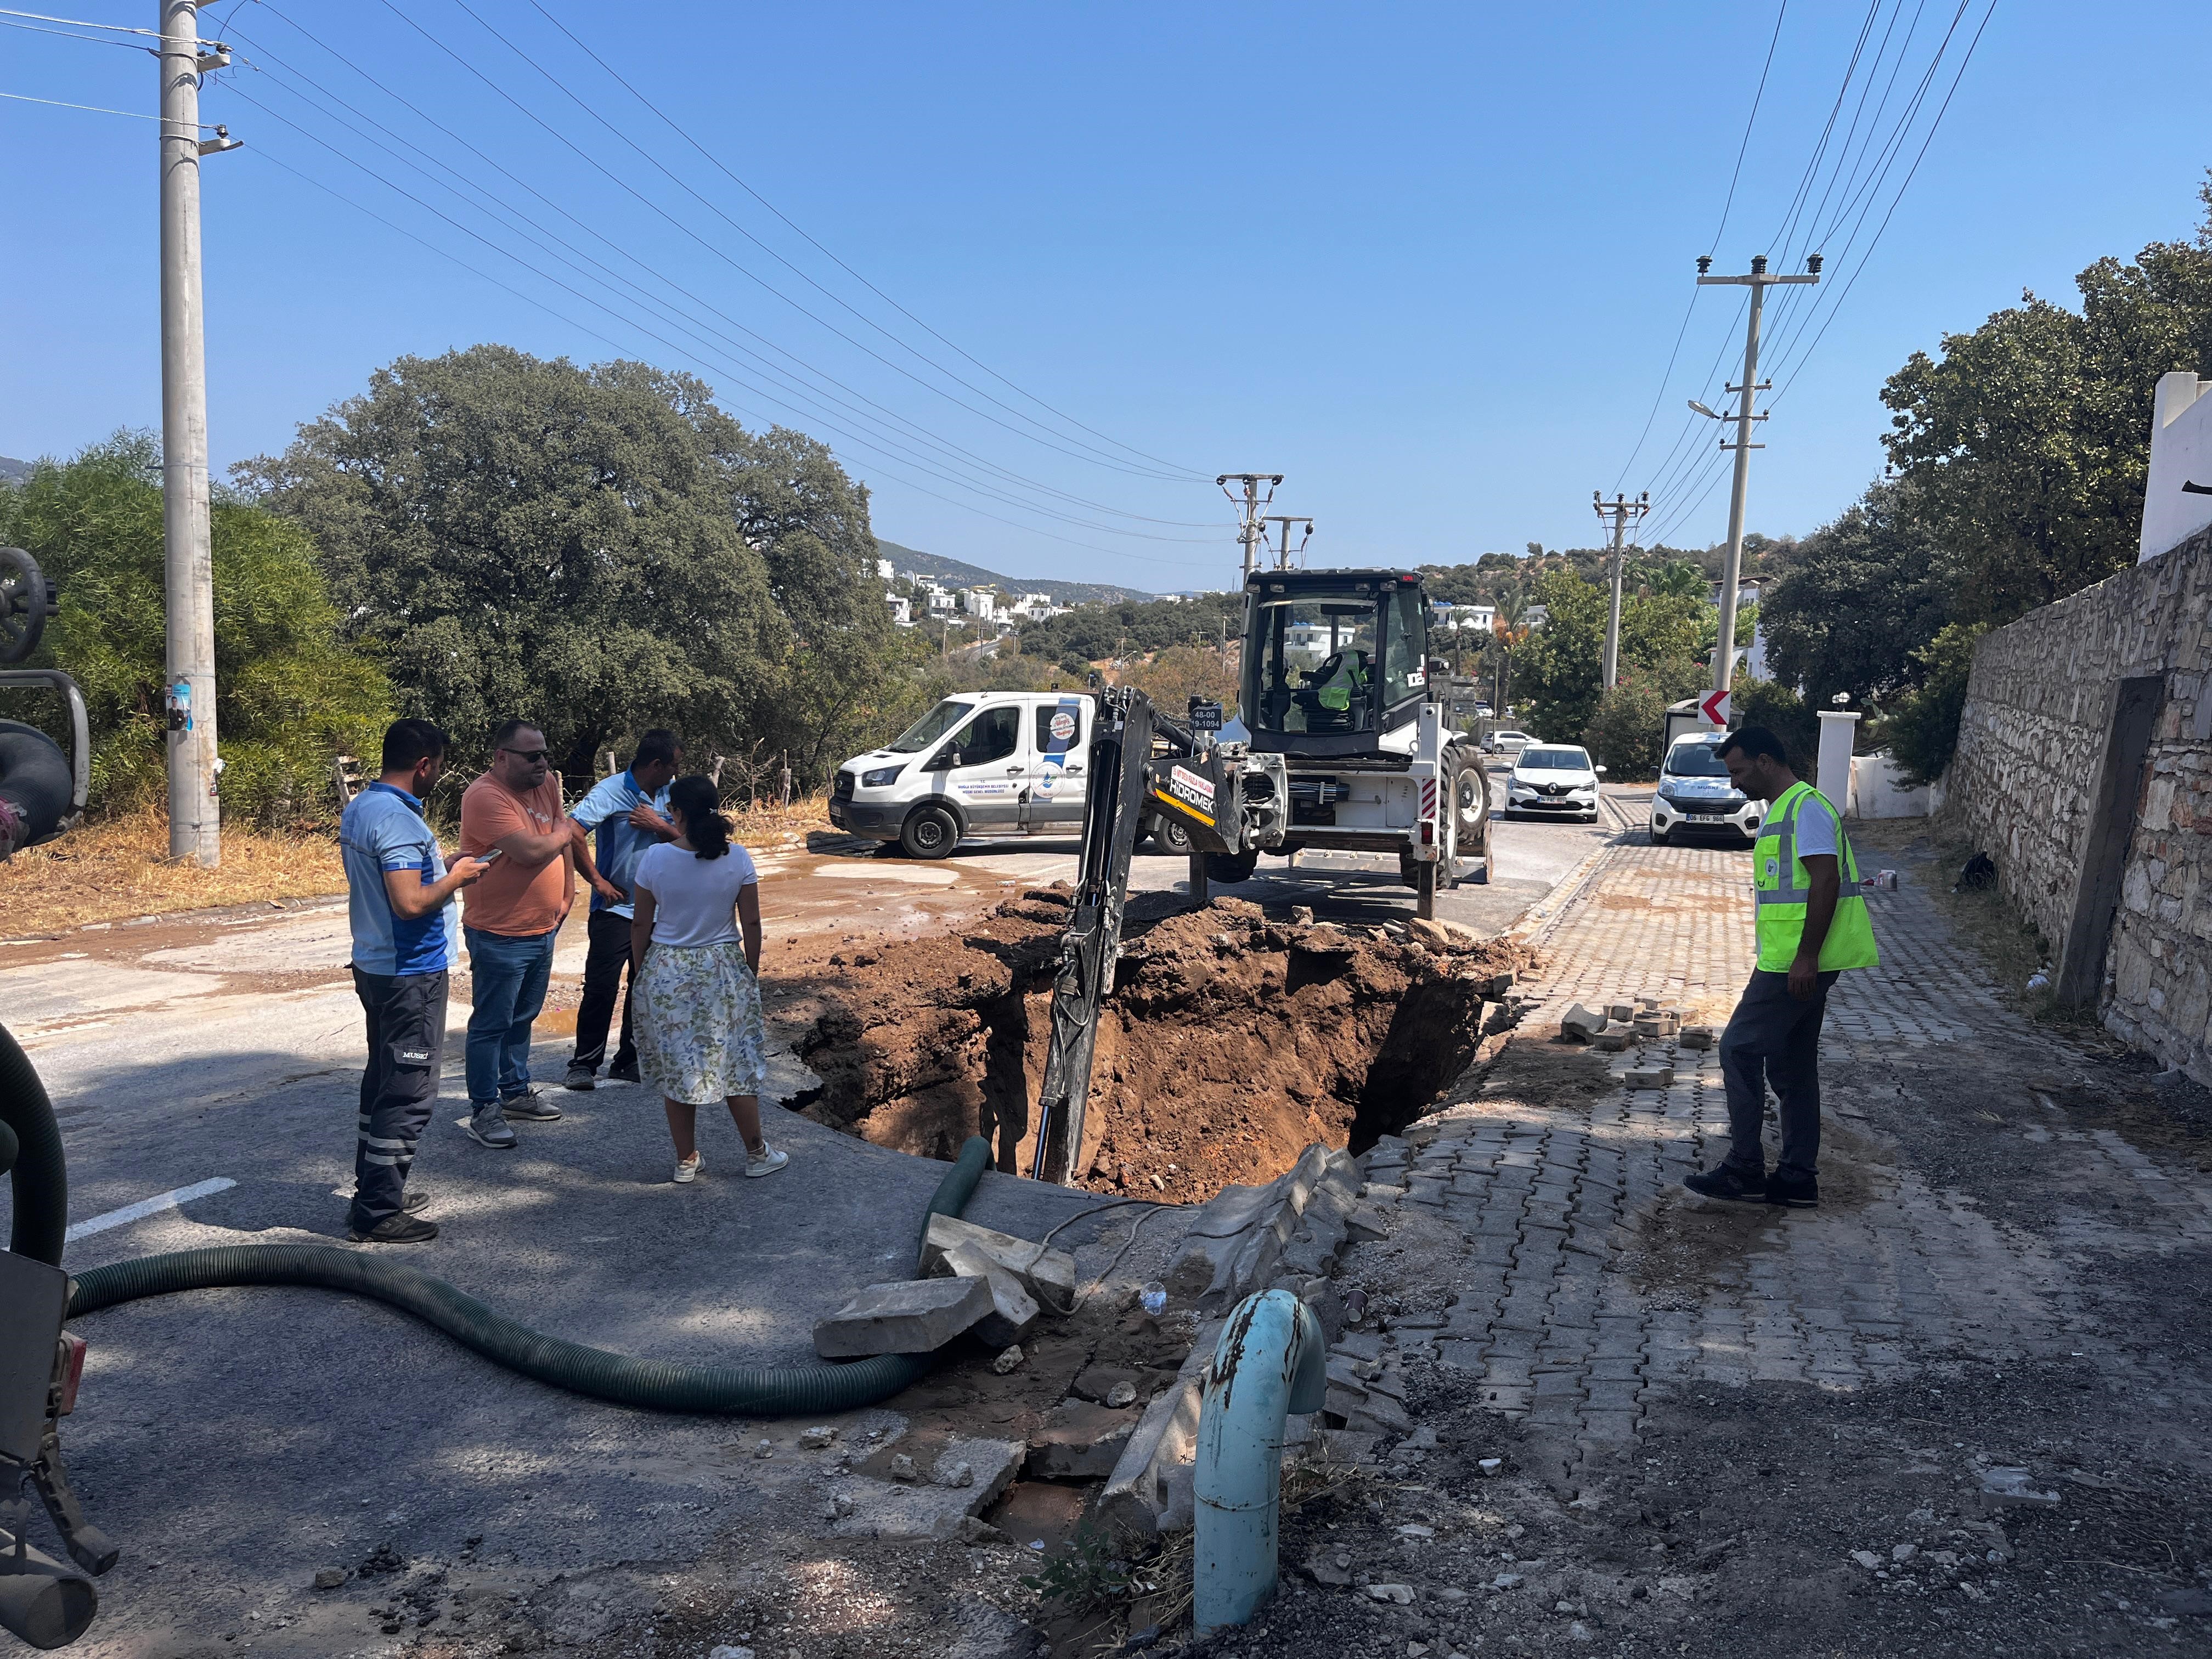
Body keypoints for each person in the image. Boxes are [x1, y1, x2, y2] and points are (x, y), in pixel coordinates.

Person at [1684, 725, 1880, 1209]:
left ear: (1766, 761)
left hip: (1796, 963)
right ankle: (1796, 1180)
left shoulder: (1804, 807)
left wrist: (1807, 956)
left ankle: (1745, 1170)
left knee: (1738, 1051)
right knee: (1792, 1069)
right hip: (1792, 960)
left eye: (1738, 771)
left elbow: (1826, 879)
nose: (1734, 784)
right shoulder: (1785, 810)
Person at [337, 719, 487, 1243]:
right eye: (439, 767)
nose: (439, 776)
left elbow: (393, 883)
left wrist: (439, 867)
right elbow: (409, 903)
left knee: (383, 1079)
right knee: (409, 1090)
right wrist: (457, 879)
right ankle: (378, 1212)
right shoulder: (398, 820)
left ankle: (373, 1188)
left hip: (376, 967)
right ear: (424, 764)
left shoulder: (363, 807)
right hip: (410, 976)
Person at [629, 775, 788, 1184]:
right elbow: (751, 921)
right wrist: (748, 971)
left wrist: (643, 971)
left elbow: (642, 924)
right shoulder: (738, 858)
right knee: (736, 1063)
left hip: (668, 969)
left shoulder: (655, 859)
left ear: (676, 812)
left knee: (680, 1065)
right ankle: (756, 1154)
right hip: (722, 969)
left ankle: (686, 1161)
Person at [456, 719, 605, 1148]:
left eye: (544, 753)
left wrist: (566, 895)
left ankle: (516, 1092)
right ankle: (484, 1109)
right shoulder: (485, 796)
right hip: (499, 933)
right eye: (532, 755)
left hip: (543, 927)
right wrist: (565, 832)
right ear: (502, 757)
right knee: (491, 1024)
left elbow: (560, 843)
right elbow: (532, 850)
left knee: (522, 1017)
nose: (543, 762)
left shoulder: (547, 784)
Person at [564, 730, 681, 1091]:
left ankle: (628, 1061)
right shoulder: (612, 791)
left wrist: (659, 826)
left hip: (659, 912)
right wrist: (597, 882)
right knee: (601, 988)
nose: (679, 770)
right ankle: (584, 1064)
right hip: (615, 910)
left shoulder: (673, 791)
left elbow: (696, 838)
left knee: (643, 987)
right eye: (675, 764)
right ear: (656, 765)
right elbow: (572, 830)